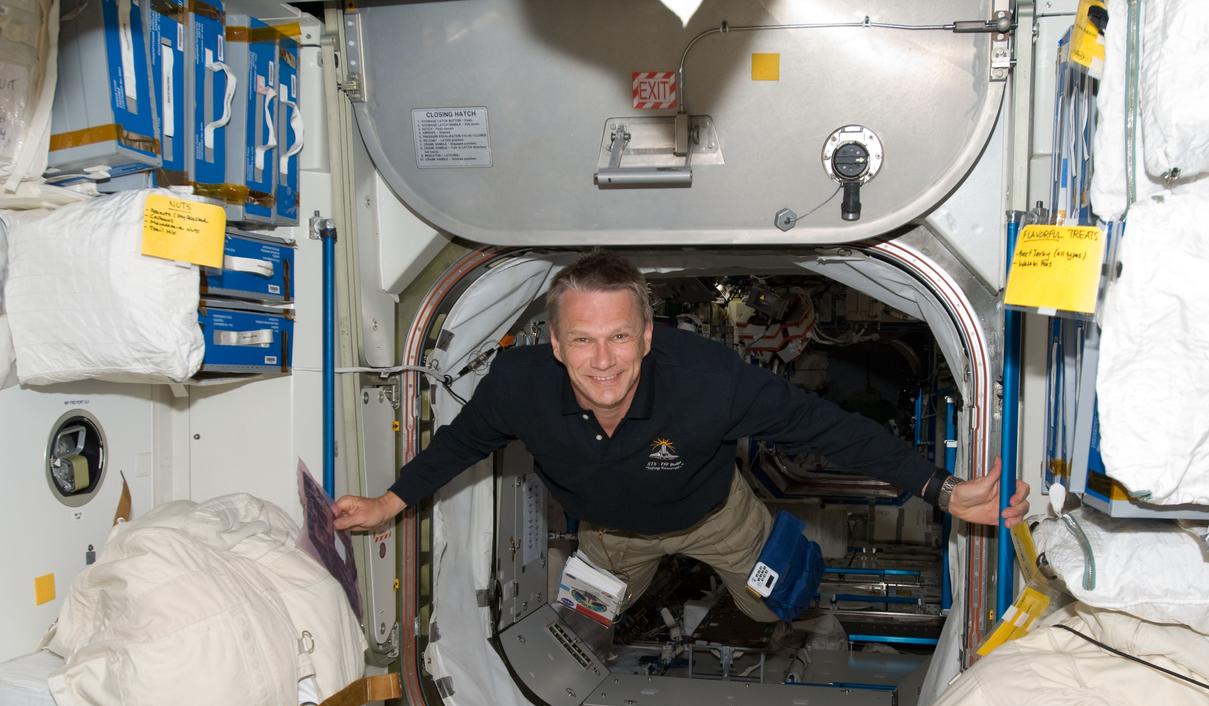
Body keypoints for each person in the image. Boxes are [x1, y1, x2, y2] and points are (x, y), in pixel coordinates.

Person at [335, 251, 1031, 623]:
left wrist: (939, 487)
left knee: (768, 611)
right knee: (594, 614)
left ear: (646, 334)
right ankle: (640, 589)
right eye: (582, 339)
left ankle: (758, 591)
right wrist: (387, 505)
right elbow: (459, 445)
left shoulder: (708, 380)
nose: (601, 360)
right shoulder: (517, 386)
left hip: (716, 517)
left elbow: (827, 429)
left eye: (617, 337)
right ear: (554, 342)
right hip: (611, 536)